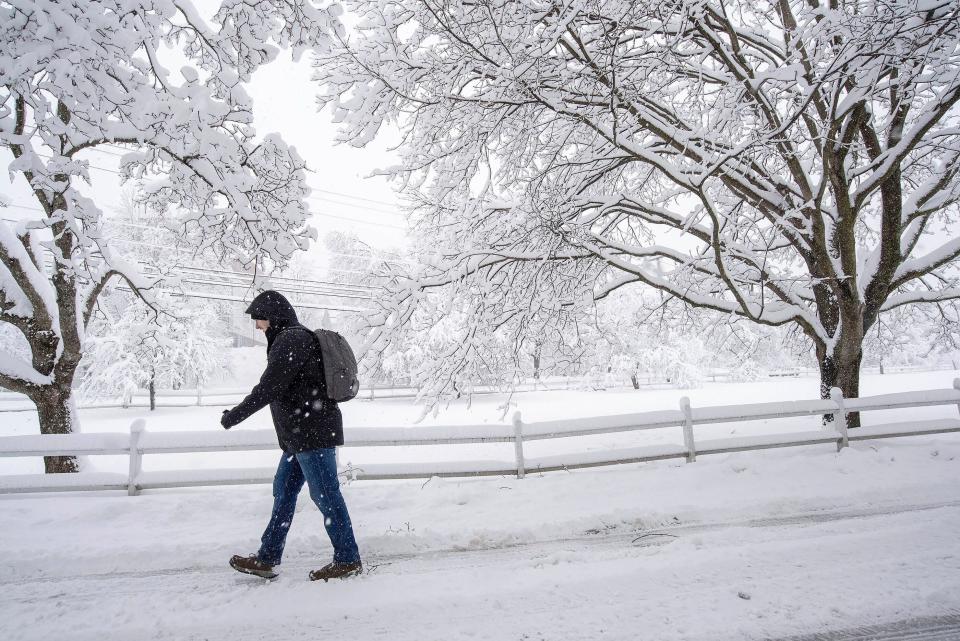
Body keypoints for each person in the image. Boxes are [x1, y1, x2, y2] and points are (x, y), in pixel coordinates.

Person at [220, 290, 362, 582]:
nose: (257, 327)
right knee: (283, 491)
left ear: (271, 316)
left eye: (258, 320)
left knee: (326, 495)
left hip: (313, 434)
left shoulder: (292, 340)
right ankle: (268, 557)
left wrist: (234, 416)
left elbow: (268, 388)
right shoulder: (289, 339)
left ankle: (347, 559)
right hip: (300, 436)